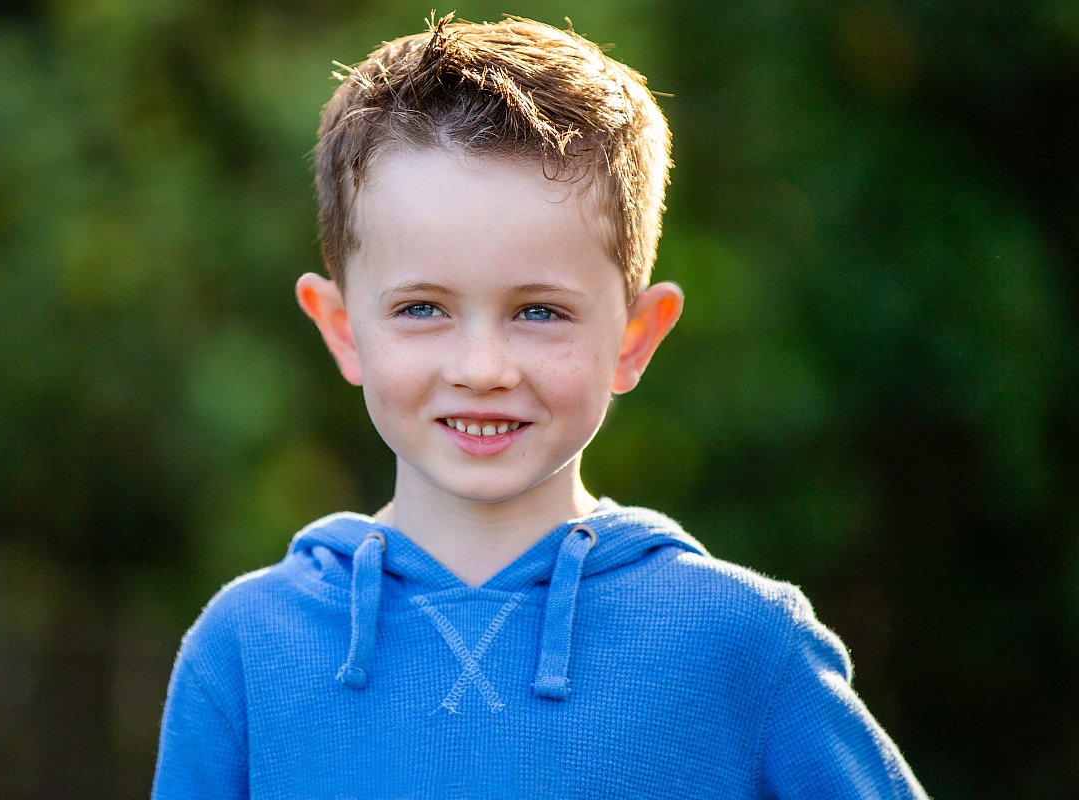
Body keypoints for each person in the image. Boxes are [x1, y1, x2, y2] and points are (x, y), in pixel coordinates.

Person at [152, 14, 927, 799]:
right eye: (422, 308)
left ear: (634, 338)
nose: (482, 369)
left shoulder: (744, 646)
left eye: (539, 312)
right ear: (342, 330)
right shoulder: (247, 650)